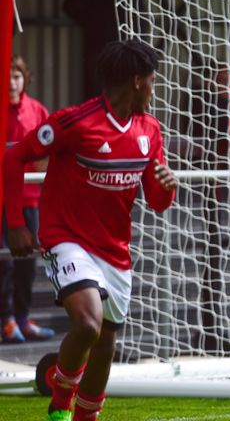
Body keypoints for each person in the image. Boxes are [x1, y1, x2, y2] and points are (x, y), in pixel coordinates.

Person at [3, 39, 177, 421]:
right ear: (136, 81)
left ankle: (85, 416)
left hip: (115, 249)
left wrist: (166, 184)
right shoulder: (75, 121)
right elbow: (14, 156)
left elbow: (157, 200)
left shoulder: (149, 129)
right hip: (66, 237)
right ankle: (61, 403)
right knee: (87, 323)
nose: (154, 87)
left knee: (105, 340)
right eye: (151, 80)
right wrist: (15, 224)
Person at [1, 54, 54, 343]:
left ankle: (22, 317)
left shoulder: (38, 111)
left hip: (29, 198)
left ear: (25, 79)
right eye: (7, 76)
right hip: (1, 200)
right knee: (4, 263)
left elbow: (49, 154)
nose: (11, 82)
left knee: (27, 263)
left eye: (17, 76)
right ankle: (6, 320)